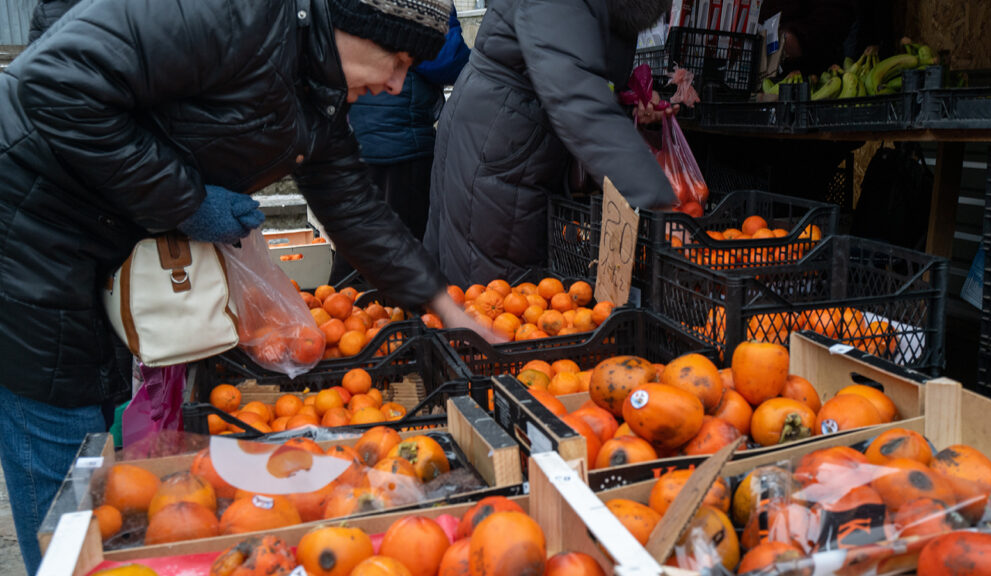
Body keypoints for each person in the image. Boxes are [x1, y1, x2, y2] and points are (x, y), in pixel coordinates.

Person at [0, 0, 484, 572]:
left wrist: (442, 304)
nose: (397, 84)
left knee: (91, 412)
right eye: (397, 60)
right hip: (29, 221)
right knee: (59, 424)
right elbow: (51, 87)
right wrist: (189, 200)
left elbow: (352, 202)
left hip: (95, 235)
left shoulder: (315, 80)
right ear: (353, 25)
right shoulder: (236, 15)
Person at [423, 0, 680, 286]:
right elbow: (575, 94)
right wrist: (660, 204)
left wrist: (628, 101)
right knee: (493, 296)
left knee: (497, 295)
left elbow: (579, 65)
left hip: (520, 141)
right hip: (502, 143)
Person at [330, 4, 469, 284]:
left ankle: (350, 310)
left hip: (365, 135)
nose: (394, 82)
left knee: (363, 242)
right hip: (397, 139)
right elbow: (449, 59)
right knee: (398, 247)